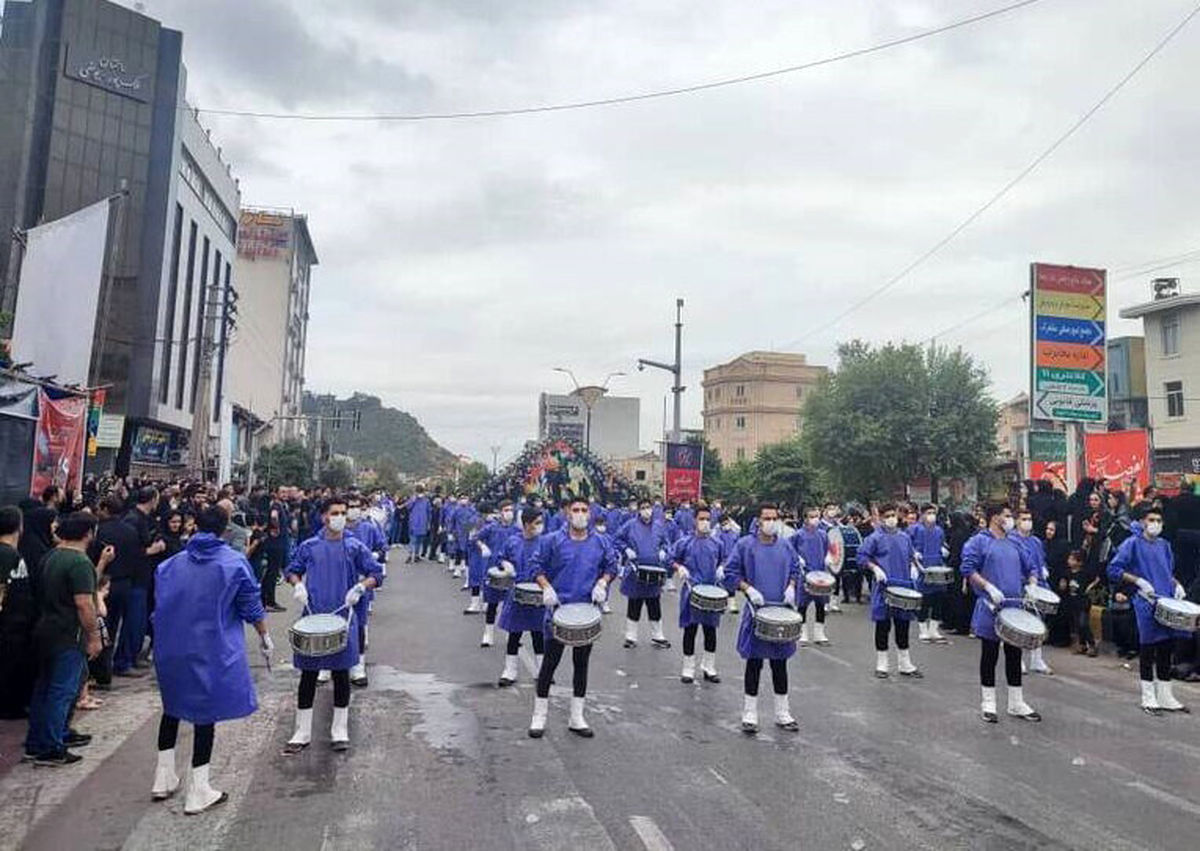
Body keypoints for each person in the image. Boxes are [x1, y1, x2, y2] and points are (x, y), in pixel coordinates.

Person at [150, 505, 272, 814]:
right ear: (225, 527)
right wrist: (265, 636)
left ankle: (163, 776)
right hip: (211, 649)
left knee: (172, 707)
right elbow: (251, 607)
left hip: (171, 647)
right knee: (205, 716)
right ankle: (198, 789)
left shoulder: (169, 565)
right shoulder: (234, 564)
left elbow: (160, 606)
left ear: (194, 525)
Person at [284, 497, 382, 753]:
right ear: (324, 517)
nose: (340, 517)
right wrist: (298, 585)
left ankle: (340, 729)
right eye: (335, 512)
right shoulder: (310, 546)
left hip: (343, 618)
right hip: (313, 617)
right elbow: (292, 570)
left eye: (343, 512)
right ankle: (302, 731)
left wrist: (361, 587)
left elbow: (376, 573)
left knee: (340, 675)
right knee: (308, 675)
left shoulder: (354, 546)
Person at [527, 497, 618, 738]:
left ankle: (577, 716)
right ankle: (539, 715)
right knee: (549, 664)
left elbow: (612, 565)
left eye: (584, 510)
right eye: (575, 510)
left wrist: (603, 581)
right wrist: (545, 586)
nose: (579, 514)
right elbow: (535, 566)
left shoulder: (600, 542)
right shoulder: (552, 541)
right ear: (567, 513)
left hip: (586, 612)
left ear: (590, 514)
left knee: (581, 663)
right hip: (559, 610)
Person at [24, 513, 109, 765]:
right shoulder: (79, 563)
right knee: (62, 690)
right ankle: (51, 745)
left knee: (45, 688)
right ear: (88, 534)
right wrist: (93, 636)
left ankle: (38, 740)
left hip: (45, 629)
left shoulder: (50, 556)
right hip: (68, 633)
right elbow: (84, 603)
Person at [724, 503, 801, 733]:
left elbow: (796, 569)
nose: (770, 522)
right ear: (758, 521)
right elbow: (731, 573)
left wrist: (791, 586)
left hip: (781, 613)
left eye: (774, 518)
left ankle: (782, 712)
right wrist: (747, 589)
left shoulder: (786, 546)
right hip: (757, 610)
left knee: (780, 663)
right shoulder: (745, 546)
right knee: (755, 662)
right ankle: (749, 712)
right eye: (766, 518)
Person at [961, 503, 1041, 723]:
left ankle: (1016, 702)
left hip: (1014, 607)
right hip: (990, 606)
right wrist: (988, 587)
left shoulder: (1015, 542)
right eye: (1007, 516)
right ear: (995, 518)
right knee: (990, 654)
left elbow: (1031, 567)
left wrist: (1032, 584)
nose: (1011, 520)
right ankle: (988, 702)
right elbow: (968, 569)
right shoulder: (979, 541)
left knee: (1014, 654)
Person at [1108, 508, 1190, 714]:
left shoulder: (1164, 546)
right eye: (1151, 519)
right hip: (1145, 602)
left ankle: (1165, 694)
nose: (1155, 523)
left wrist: (1176, 584)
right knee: (1148, 648)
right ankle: (1148, 695)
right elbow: (1114, 569)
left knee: (1166, 646)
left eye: (1159, 520)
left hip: (1166, 600)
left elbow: (1166, 571)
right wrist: (1138, 581)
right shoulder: (1132, 544)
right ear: (1143, 522)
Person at [858, 503, 923, 679]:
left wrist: (914, 565)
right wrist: (874, 568)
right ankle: (882, 663)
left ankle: (905, 663)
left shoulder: (904, 537)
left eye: (893, 515)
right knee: (883, 625)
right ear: (880, 517)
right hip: (884, 586)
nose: (891, 519)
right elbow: (862, 557)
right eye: (887, 515)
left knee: (903, 625)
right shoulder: (874, 538)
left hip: (903, 585)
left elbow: (910, 555)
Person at [672, 506, 725, 684]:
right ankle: (688, 668)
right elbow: (671, 558)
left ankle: (709, 667)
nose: (705, 522)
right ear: (694, 520)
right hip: (691, 590)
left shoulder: (717, 543)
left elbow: (725, 559)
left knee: (710, 631)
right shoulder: (684, 542)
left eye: (708, 519)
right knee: (691, 630)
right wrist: (679, 567)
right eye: (701, 518)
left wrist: (721, 567)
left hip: (712, 591)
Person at [496, 507, 547, 686]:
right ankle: (510, 671)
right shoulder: (513, 541)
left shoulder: (545, 542)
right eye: (537, 523)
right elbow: (500, 557)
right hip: (517, 592)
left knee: (538, 634)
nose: (540, 526)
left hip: (538, 594)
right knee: (514, 633)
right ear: (526, 524)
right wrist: (505, 564)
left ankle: (543, 671)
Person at [615, 498, 672, 649]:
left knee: (654, 603)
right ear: (639, 510)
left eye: (649, 507)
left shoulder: (659, 526)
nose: (647, 510)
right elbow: (617, 539)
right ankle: (631, 637)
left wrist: (663, 551)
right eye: (643, 507)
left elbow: (667, 543)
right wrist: (626, 549)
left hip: (655, 570)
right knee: (635, 603)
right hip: (636, 569)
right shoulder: (630, 525)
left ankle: (657, 636)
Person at [344, 496, 387, 687]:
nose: (352, 510)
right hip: (338, 582)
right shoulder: (335, 531)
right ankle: (326, 667)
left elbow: (382, 547)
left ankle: (358, 664)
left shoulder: (368, 528)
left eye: (355, 507)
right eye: (348, 507)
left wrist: (375, 555)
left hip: (361, 580)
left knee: (359, 623)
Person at [0, 505, 37, 719]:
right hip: (8, 625)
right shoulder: (6, 554)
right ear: (19, 527)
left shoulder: (14, 553)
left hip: (18, 624)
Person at [1009, 508, 1054, 675]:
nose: (1028, 522)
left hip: (1038, 585)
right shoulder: (1012, 540)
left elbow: (1041, 560)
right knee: (1021, 623)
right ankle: (1018, 659)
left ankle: (1036, 659)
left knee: (1038, 623)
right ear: (1016, 521)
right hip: (1020, 586)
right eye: (1024, 519)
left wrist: (1043, 569)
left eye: (1029, 518)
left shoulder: (1036, 541)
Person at [479, 500, 521, 647]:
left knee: (511, 605)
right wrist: (483, 546)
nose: (509, 512)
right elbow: (476, 538)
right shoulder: (491, 528)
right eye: (506, 509)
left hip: (511, 571)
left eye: (511, 509)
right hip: (494, 570)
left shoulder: (516, 530)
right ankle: (488, 633)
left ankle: (512, 636)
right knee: (492, 603)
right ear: (500, 511)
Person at [789, 506, 832, 645]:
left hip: (820, 573)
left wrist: (829, 557)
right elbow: (790, 550)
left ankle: (820, 634)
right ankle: (803, 633)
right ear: (805, 519)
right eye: (812, 516)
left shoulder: (823, 534)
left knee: (821, 604)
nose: (815, 519)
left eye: (817, 516)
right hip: (804, 574)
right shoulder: (798, 535)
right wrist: (797, 558)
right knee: (803, 605)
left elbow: (828, 549)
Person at [909, 504, 949, 644]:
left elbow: (943, 544)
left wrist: (944, 549)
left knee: (938, 599)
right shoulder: (915, 529)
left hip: (937, 566)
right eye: (929, 512)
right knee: (925, 600)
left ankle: (934, 629)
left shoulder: (939, 530)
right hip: (922, 566)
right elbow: (909, 545)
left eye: (933, 513)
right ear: (922, 514)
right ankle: (923, 630)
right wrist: (914, 556)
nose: (932, 515)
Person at [406, 486, 432, 564]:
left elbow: (429, 512)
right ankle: (410, 556)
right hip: (413, 523)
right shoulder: (413, 500)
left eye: (421, 492)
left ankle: (417, 555)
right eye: (418, 492)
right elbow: (408, 507)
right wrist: (413, 500)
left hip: (423, 524)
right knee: (412, 540)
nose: (419, 494)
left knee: (419, 541)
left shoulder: (426, 501)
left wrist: (428, 524)